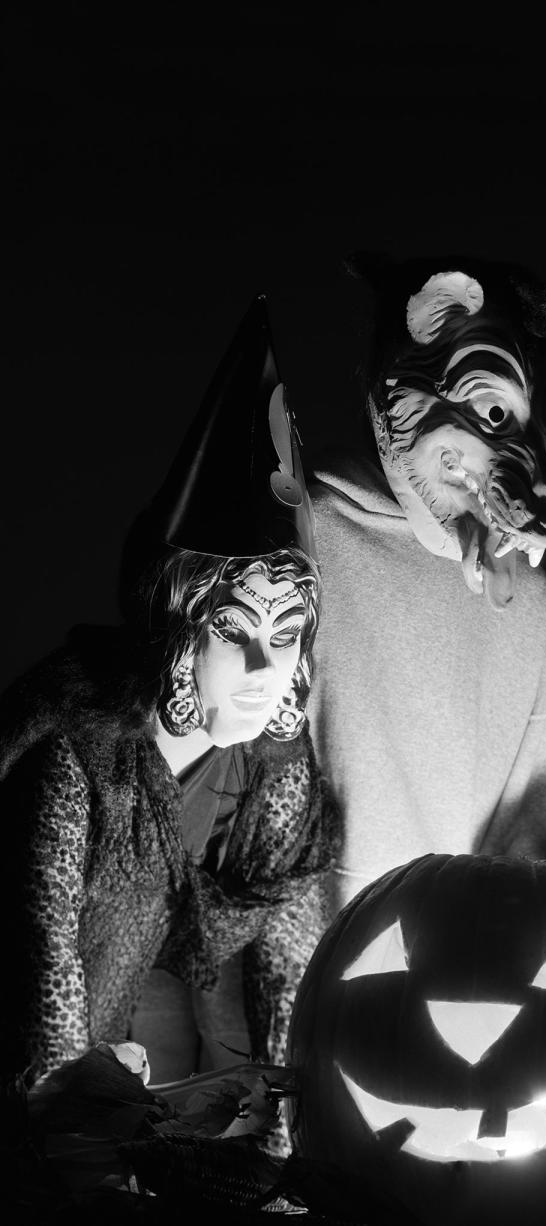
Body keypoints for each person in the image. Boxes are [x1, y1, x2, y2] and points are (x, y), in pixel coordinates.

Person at [1, 298, 340, 1086]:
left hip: (148, 1041)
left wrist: (289, 1122)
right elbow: (45, 977)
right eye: (236, 629)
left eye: (286, 635)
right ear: (178, 624)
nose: (265, 669)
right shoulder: (74, 759)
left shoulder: (275, 759)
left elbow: (284, 942)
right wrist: (80, 1117)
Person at [308, 256, 546, 909]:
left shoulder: (523, 592)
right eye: (494, 414)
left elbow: (536, 822)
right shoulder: (302, 549)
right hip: (321, 965)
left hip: (480, 951)